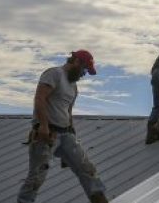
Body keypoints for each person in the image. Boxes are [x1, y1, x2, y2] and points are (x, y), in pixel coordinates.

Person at [17, 50, 108, 203]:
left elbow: (68, 111)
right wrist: (43, 126)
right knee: (37, 177)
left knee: (87, 168)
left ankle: (99, 199)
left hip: (66, 134)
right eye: (84, 69)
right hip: (47, 134)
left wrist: (72, 132)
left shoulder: (73, 87)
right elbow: (40, 98)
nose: (83, 74)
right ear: (76, 62)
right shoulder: (54, 74)